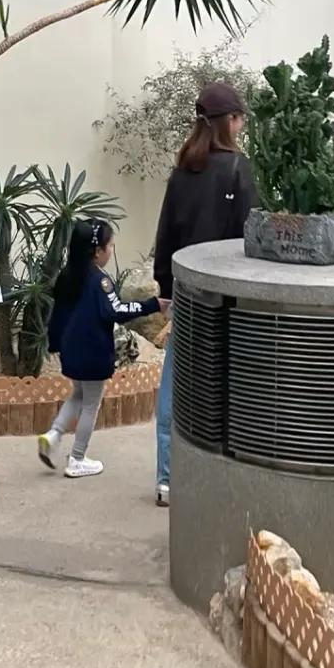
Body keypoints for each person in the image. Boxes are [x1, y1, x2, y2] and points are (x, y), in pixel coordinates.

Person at [152, 82, 257, 507]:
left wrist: (165, 289)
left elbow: (165, 232)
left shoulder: (182, 171)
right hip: (226, 296)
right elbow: (248, 238)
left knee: (174, 384)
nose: (242, 125)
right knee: (229, 382)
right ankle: (223, 474)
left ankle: (167, 477)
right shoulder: (238, 169)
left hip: (185, 292)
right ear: (229, 121)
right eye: (240, 118)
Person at [38, 220, 169, 478]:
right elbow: (115, 311)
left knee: (78, 394)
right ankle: (77, 458)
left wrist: (56, 343)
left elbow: (58, 314)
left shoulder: (68, 275)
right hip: (93, 352)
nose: (112, 250)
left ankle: (54, 434)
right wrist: (153, 305)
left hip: (71, 349)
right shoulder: (100, 281)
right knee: (91, 404)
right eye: (110, 246)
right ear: (97, 251)